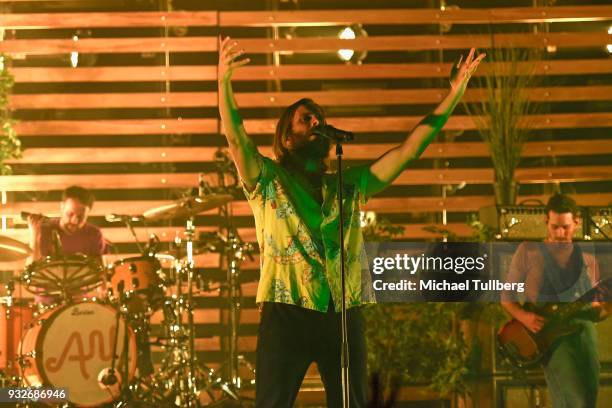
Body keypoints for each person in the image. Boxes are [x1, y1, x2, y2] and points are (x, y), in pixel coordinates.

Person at [218, 36, 484, 407]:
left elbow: (408, 151)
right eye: (305, 118)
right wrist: (223, 81)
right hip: (287, 309)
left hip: (342, 311)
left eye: (319, 119)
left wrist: (455, 93)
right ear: (286, 135)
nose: (315, 122)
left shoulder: (346, 185)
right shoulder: (268, 180)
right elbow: (235, 137)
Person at [501, 193, 610, 408]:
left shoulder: (588, 259)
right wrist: (524, 317)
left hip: (585, 337)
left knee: (588, 401)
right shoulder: (529, 251)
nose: (560, 233)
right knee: (573, 402)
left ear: (576, 223)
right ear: (546, 222)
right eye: (555, 226)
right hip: (551, 339)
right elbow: (506, 297)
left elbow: (597, 313)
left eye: (566, 227)